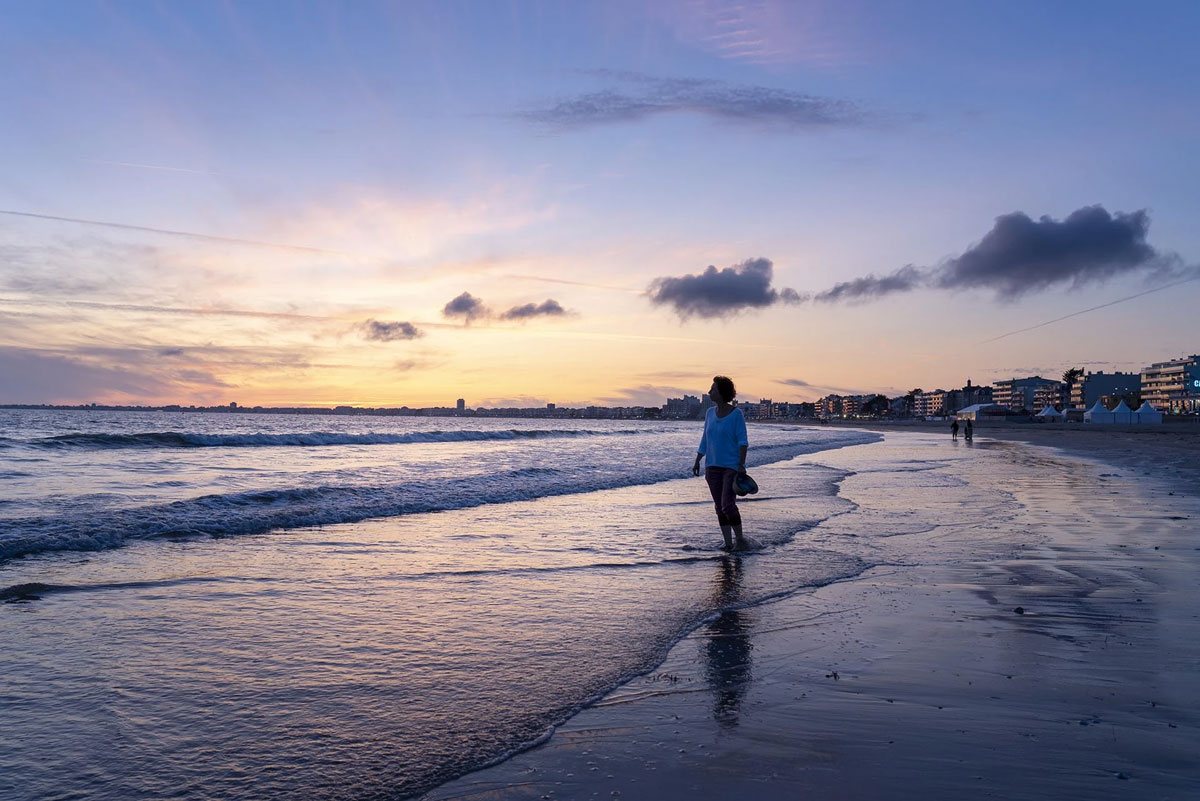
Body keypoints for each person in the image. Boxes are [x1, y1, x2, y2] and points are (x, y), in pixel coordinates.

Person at [692, 375, 749, 551]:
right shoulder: (710, 414)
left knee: (727, 505)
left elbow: (743, 442)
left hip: (730, 467)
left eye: (713, 389)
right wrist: (698, 460)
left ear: (722, 392)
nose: (709, 392)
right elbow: (705, 439)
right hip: (712, 467)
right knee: (719, 507)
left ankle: (739, 540)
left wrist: (741, 465)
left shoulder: (736, 414)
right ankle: (728, 543)